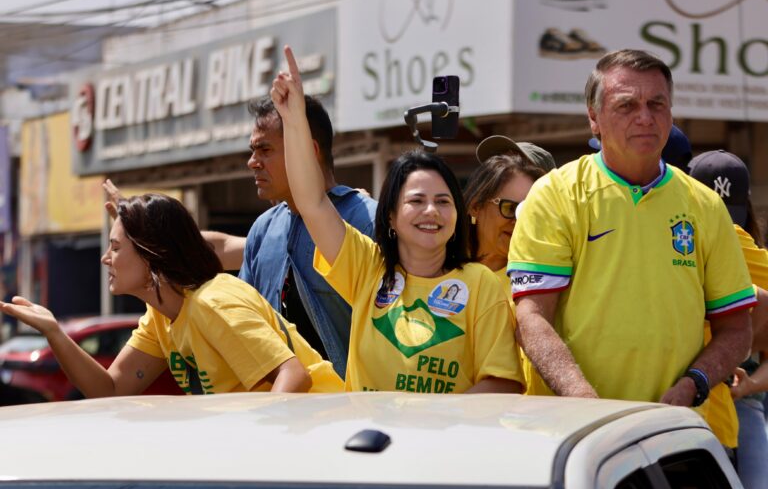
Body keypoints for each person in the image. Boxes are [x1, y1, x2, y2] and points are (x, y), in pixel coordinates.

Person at [508, 50, 754, 419]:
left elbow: (736, 328)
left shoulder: (705, 205)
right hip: (572, 430)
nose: (645, 117)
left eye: (657, 104)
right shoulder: (555, 194)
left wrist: (695, 383)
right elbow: (532, 319)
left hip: (672, 432)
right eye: (627, 105)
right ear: (594, 118)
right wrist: (585, 403)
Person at [272, 44, 524, 393]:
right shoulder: (367, 268)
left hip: (443, 445)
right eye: (416, 201)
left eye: (443, 201)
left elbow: (503, 384)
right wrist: (295, 119)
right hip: (368, 442)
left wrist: (430, 424)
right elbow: (312, 202)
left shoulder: (481, 284)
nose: (431, 211)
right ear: (390, 216)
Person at [0, 193, 342, 397]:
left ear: (152, 254)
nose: (105, 258)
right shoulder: (160, 316)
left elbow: (295, 376)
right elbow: (111, 390)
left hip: (324, 437)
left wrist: (257, 449)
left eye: (116, 247)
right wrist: (54, 332)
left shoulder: (214, 302)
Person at [203, 95, 377, 377]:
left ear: (307, 150)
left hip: (351, 410)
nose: (252, 162)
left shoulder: (368, 220)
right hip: (281, 408)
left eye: (265, 149)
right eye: (253, 150)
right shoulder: (263, 230)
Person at [688, 149, 768, 488]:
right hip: (726, 406)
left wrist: (748, 384)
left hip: (723, 407)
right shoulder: (753, 252)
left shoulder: (688, 243)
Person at [464, 139, 551, 394]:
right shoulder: (435, 267)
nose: (519, 220)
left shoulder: (546, 282)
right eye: (509, 207)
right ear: (476, 205)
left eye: (531, 210)